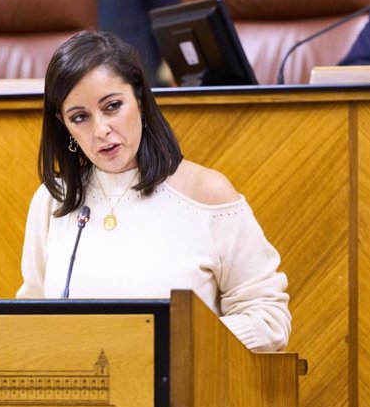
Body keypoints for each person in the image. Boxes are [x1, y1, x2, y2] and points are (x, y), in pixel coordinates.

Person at [16, 31, 291, 352]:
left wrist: (174, 344)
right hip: (85, 396)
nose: (101, 129)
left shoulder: (207, 193)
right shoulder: (54, 200)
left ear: (142, 101)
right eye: (80, 117)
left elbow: (269, 318)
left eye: (113, 106)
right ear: (65, 126)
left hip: (182, 393)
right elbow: (32, 317)